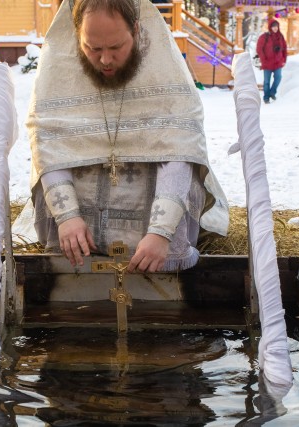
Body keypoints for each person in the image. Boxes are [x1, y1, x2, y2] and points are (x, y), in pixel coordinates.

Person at [25, 0, 229, 273]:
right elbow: (49, 146)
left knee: (188, 176)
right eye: (92, 48)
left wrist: (160, 233)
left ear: (135, 30)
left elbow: (180, 152)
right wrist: (67, 217)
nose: (105, 60)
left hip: (152, 220)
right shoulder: (59, 75)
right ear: (76, 36)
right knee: (45, 181)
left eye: (116, 47)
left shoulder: (164, 71)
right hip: (77, 215)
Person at [256, 19, 287, 104]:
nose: (275, 28)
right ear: (270, 27)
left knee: (278, 78)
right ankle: (266, 98)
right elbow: (259, 49)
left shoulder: (281, 36)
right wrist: (263, 59)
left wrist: (284, 60)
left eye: (276, 26)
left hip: (278, 62)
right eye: (273, 26)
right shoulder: (264, 36)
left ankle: (272, 93)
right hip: (267, 63)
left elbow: (284, 49)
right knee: (266, 81)